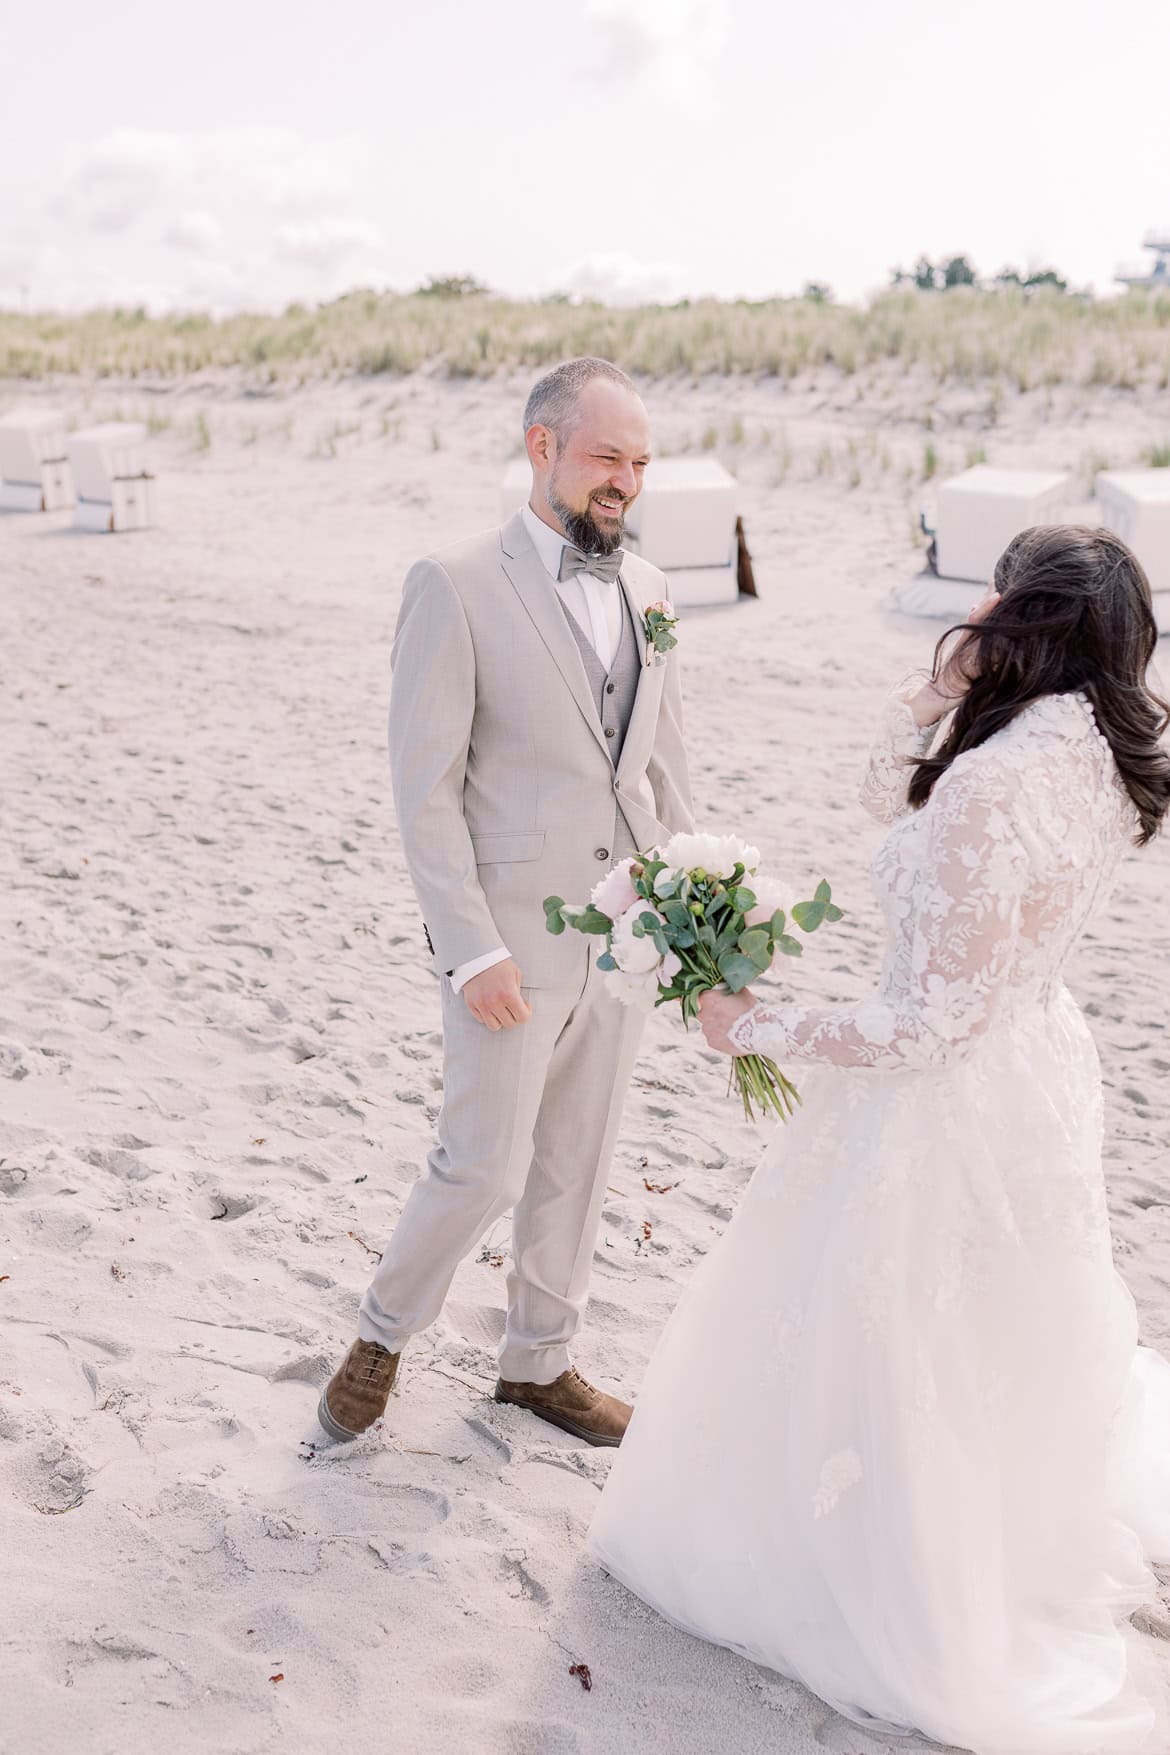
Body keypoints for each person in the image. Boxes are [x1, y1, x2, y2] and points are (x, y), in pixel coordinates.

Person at [590, 526, 1170, 1751]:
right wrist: (939, 690)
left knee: (904, 1336)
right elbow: (883, 793)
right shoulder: (1102, 757)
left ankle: (901, 1574)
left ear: (1018, 610)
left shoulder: (992, 785)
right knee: (997, 1324)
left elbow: (930, 1024)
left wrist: (755, 1023)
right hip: (1039, 1066)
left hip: (947, 1102)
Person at [319, 358, 692, 1449]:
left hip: (625, 938)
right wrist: (467, 948)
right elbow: (423, 788)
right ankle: (381, 1338)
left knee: (578, 1158)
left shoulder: (655, 592)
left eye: (639, 462)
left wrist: (693, 909)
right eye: (606, 457)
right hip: (511, 941)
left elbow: (668, 770)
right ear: (543, 450)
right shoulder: (454, 582)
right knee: (481, 1162)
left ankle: (539, 1365)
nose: (625, 480)